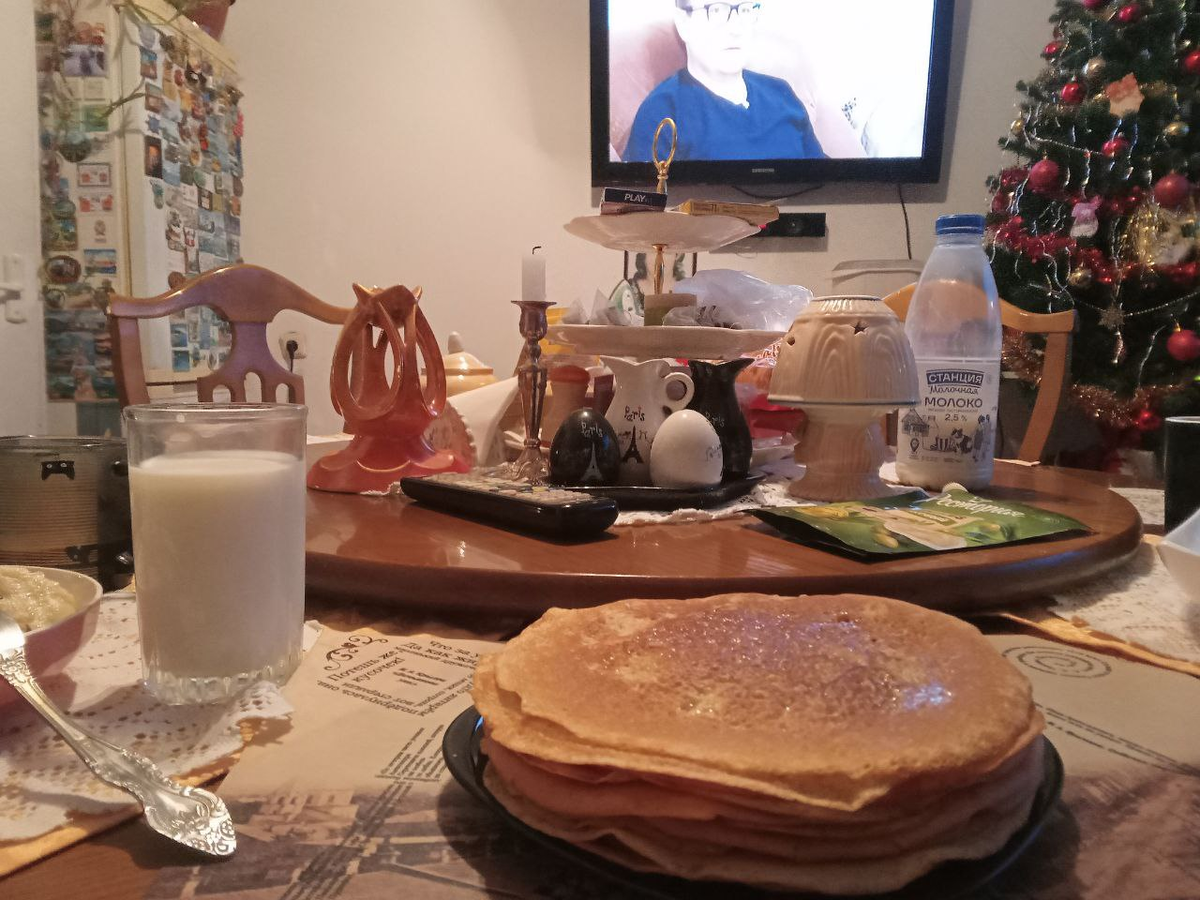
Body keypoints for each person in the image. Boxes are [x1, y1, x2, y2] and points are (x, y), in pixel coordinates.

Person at [624, 1, 826, 162]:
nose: (736, 28)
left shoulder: (780, 92)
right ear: (683, 22)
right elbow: (648, 197)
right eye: (717, 10)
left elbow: (824, 180)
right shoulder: (662, 113)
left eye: (745, 9)